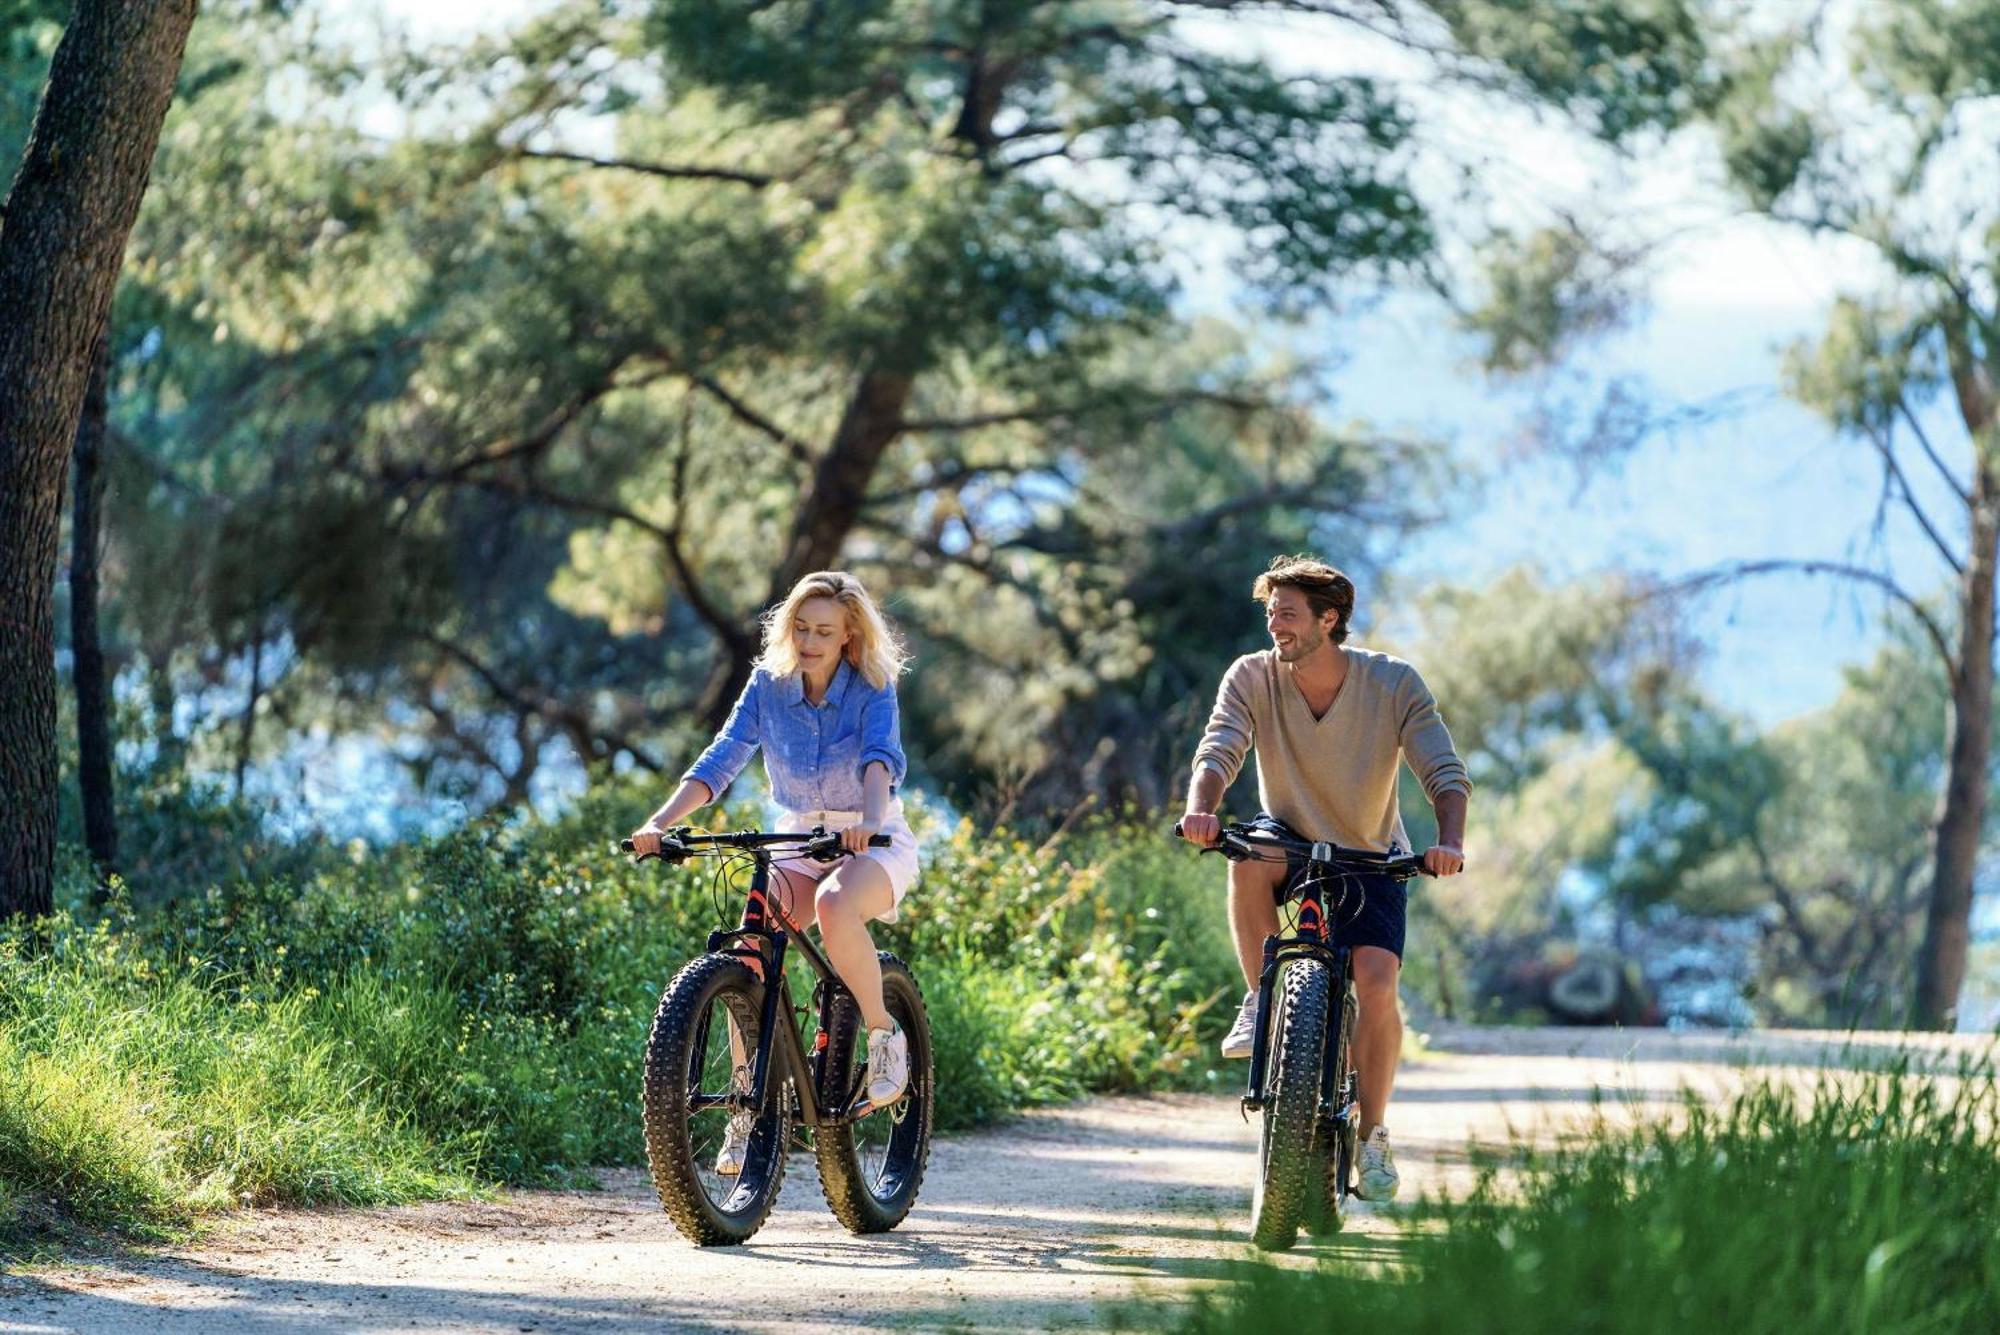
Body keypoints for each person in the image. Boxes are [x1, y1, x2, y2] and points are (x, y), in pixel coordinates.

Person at [1179, 555, 1469, 1202]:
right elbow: (1219, 746)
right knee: (1247, 853)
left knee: (1376, 981)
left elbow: (1443, 771)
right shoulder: (1252, 675)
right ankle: (1262, 999)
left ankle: (1373, 1135)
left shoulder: (1393, 683)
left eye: (1286, 613)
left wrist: (1448, 841)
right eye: (1269, 613)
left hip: (1370, 855)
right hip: (1289, 841)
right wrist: (1201, 807)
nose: (1274, 625)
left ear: (1328, 618)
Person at [628, 570, 920, 1173]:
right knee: (754, 946)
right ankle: (745, 1105)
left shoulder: (873, 687)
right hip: (797, 833)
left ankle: (883, 1036)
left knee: (837, 906)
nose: (810, 640)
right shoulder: (768, 685)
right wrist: (659, 823)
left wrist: (866, 821)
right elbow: (724, 756)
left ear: (848, 637)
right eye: (802, 627)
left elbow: (877, 761)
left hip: (871, 835)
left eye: (825, 631)